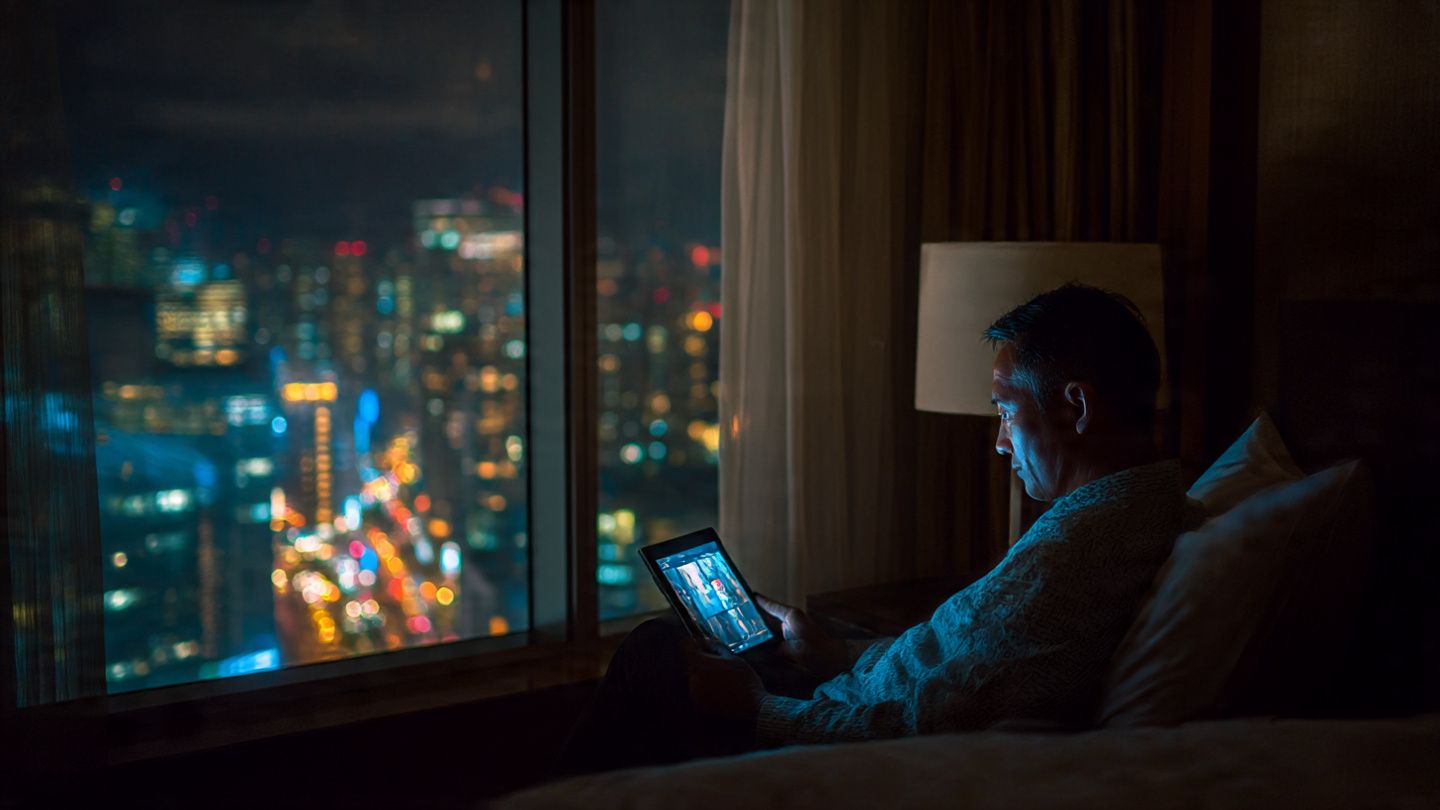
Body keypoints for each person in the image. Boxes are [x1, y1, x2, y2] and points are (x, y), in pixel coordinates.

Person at [554, 283, 1202, 775]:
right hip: (843, 687)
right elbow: (958, 665)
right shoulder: (1145, 508)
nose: (1001, 442)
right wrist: (837, 654)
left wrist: (760, 710)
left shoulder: (1073, 554)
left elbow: (924, 728)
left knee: (655, 649)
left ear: (1077, 406)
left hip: (831, 734)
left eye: (1006, 410)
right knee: (695, 642)